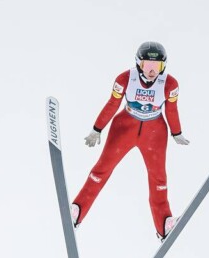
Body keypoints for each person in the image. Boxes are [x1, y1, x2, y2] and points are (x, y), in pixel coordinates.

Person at [71, 41, 190, 240]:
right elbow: (112, 103)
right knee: (102, 169)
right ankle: (77, 210)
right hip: (125, 127)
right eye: (147, 66)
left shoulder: (170, 84)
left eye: (157, 67)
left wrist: (176, 132)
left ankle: (164, 224)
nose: (152, 72)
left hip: (155, 132)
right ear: (138, 64)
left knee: (159, 179)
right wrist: (97, 129)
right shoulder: (125, 79)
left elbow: (172, 109)